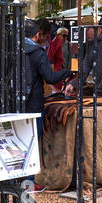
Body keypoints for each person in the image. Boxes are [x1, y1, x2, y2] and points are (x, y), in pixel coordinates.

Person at [23, 19, 73, 190]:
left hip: (17, 102)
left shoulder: (14, 50)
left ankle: (16, 180)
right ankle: (28, 182)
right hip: (33, 104)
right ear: (38, 35)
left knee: (19, 142)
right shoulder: (38, 53)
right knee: (32, 143)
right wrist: (68, 72)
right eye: (46, 35)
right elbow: (50, 78)